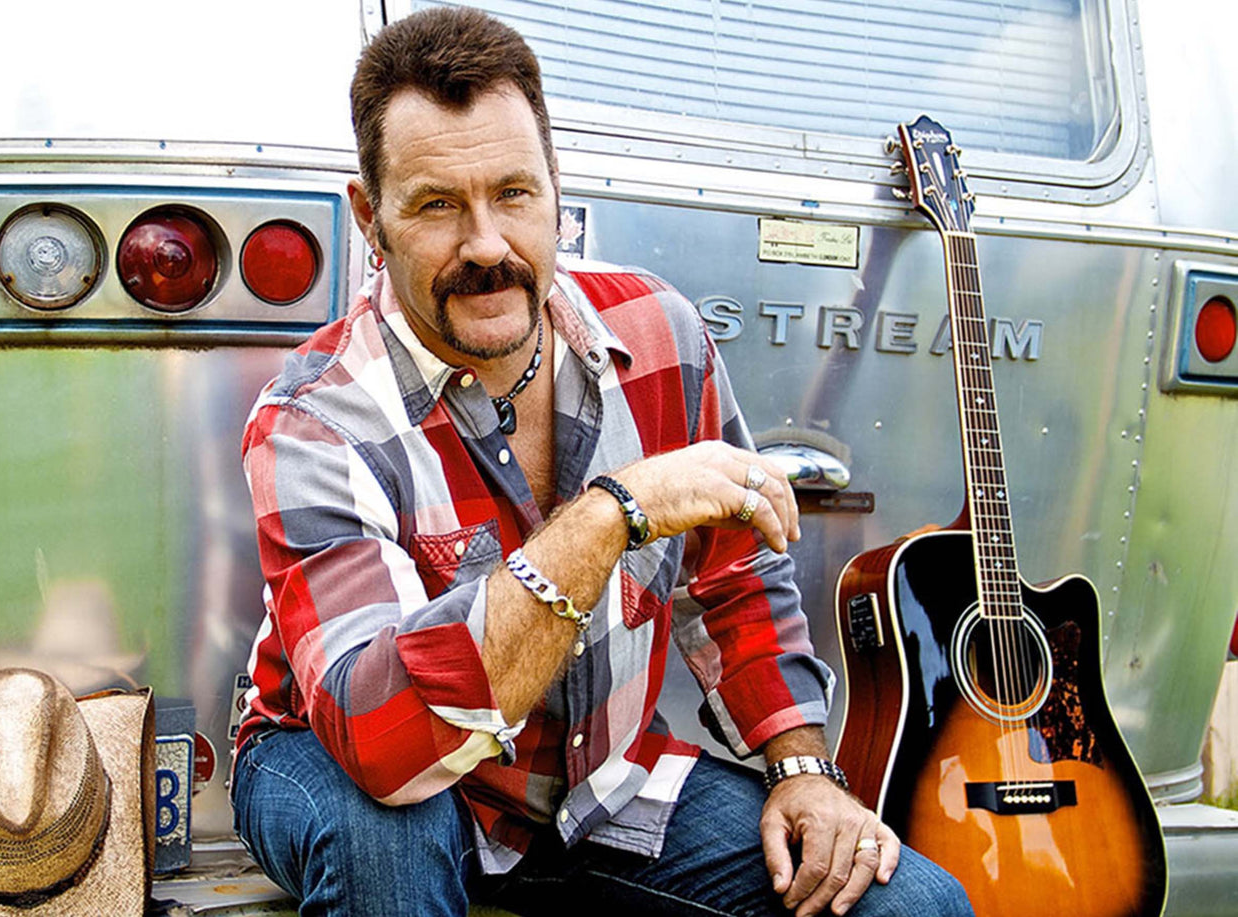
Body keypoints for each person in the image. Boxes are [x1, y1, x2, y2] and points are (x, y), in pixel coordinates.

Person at [231, 7, 973, 916]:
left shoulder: (660, 333)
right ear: (369, 217)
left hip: (600, 777)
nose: (487, 246)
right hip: (351, 761)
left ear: (555, 186)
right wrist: (608, 513)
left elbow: (732, 579)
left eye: (514, 193)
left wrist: (804, 768)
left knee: (912, 906)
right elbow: (383, 741)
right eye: (435, 206)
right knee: (386, 841)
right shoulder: (312, 417)